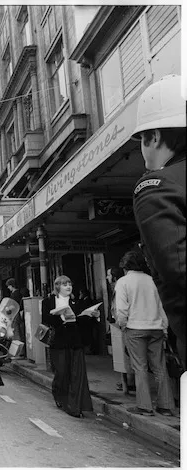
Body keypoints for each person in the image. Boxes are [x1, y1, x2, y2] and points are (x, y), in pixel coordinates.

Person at [130, 74, 185, 367]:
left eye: (142, 139)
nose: (142, 147)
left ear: (155, 136)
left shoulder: (158, 188)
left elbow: (178, 269)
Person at [114, 251, 174, 417]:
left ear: (125, 267)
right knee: (160, 367)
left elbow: (121, 309)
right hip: (156, 327)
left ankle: (144, 406)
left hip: (135, 327)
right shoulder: (151, 281)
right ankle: (166, 406)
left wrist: (123, 325)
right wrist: (164, 327)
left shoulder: (123, 282)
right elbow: (161, 306)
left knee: (140, 367)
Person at [41, 275, 93, 418]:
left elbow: (84, 321)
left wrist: (89, 316)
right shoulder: (48, 301)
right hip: (58, 342)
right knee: (62, 372)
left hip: (75, 342)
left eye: (69, 283)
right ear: (57, 287)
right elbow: (46, 320)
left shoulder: (77, 302)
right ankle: (59, 395)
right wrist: (61, 317)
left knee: (76, 375)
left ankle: (73, 405)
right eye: (64, 284)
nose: (68, 286)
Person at [107, 267, 135, 393]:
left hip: (124, 326)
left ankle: (129, 384)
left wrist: (122, 324)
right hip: (123, 325)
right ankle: (126, 383)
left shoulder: (120, 287)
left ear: (114, 277)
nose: (107, 278)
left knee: (127, 357)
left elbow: (120, 309)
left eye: (108, 275)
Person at [6, 278, 25, 346]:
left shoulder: (15, 294)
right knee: (18, 330)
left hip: (15, 314)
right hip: (18, 313)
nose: (8, 287)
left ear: (12, 285)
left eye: (9, 285)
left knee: (15, 330)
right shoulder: (18, 293)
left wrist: (8, 308)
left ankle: (17, 348)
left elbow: (14, 305)